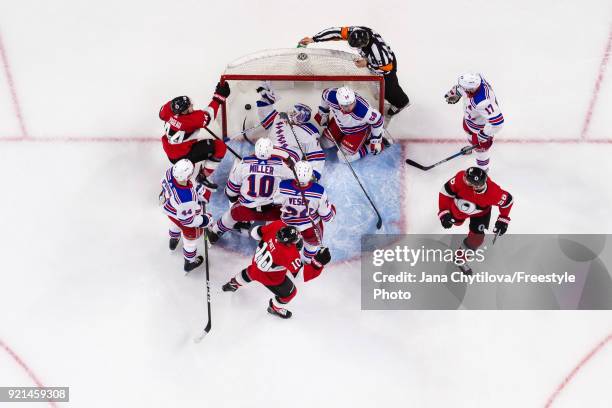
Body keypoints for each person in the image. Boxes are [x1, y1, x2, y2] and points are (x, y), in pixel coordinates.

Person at [222, 220, 331, 319]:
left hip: (256, 265)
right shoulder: (289, 254)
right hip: (272, 279)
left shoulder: (277, 225)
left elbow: (255, 233)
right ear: (288, 243)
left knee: (251, 272)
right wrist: (318, 263)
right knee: (290, 293)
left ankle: (233, 284)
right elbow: (302, 275)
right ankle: (274, 308)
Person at [299, 26, 410, 117]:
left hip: (386, 65)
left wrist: (367, 64)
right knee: (381, 88)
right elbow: (335, 32)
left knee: (389, 89)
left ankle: (402, 103)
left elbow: (386, 69)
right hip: (373, 59)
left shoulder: (379, 52)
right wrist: (314, 39)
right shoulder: (355, 31)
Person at [207, 138, 293, 243]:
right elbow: (294, 186)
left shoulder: (244, 164)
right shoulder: (281, 166)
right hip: (271, 210)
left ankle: (215, 233)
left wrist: (234, 200)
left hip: (246, 209)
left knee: (231, 215)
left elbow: (231, 190)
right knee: (284, 219)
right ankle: (273, 241)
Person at [438, 167, 513, 274]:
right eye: (465, 178)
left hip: (481, 213)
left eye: (467, 181)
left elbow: (508, 202)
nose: (463, 180)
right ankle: (457, 219)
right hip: (458, 208)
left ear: (476, 186)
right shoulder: (461, 177)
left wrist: (503, 219)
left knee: (477, 239)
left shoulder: (494, 192)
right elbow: (445, 191)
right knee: (457, 222)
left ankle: (460, 259)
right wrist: (444, 212)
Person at [159, 80, 231, 190]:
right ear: (184, 112)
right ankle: (202, 176)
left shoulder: (168, 110)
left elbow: (161, 114)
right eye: (190, 107)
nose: (192, 106)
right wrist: (218, 97)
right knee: (220, 147)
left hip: (170, 150)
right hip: (182, 155)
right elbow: (209, 115)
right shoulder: (190, 121)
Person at [256, 81, 325, 179]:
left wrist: (313, 175)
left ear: (303, 118)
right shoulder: (279, 118)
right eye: (293, 112)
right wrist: (266, 97)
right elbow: (264, 111)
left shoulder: (310, 132)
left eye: (296, 114)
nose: (292, 114)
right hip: (264, 152)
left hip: (285, 160)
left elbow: (316, 156)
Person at [274, 161, 335, 263]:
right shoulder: (319, 191)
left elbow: (275, 202)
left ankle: (285, 261)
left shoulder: (283, 186)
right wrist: (333, 210)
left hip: (286, 226)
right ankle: (306, 261)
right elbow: (327, 218)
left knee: (284, 244)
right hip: (310, 226)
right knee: (312, 245)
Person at [159, 159, 214, 272]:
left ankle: (173, 240)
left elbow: (183, 187)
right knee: (190, 238)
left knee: (174, 222)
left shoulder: (169, 172)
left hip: (168, 208)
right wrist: (205, 220)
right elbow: (188, 222)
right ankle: (189, 262)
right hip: (184, 216)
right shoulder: (186, 199)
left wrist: (195, 189)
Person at [444, 73, 504, 172]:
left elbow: (498, 123)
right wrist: (455, 93)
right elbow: (461, 88)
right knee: (470, 135)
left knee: (482, 151)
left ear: (471, 89)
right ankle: (472, 145)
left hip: (480, 129)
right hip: (470, 120)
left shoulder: (483, 102)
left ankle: (483, 171)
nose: (462, 88)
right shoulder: (476, 80)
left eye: (465, 89)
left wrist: (484, 134)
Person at [316, 86, 385, 162]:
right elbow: (324, 95)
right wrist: (324, 113)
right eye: (346, 106)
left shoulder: (364, 110)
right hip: (339, 124)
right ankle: (343, 138)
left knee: (343, 157)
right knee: (324, 143)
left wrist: (376, 141)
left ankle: (367, 147)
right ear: (339, 102)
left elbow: (378, 120)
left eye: (352, 103)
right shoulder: (331, 96)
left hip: (357, 130)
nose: (350, 108)